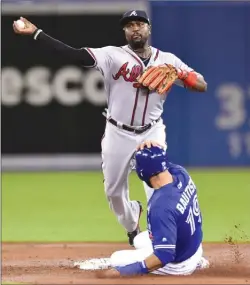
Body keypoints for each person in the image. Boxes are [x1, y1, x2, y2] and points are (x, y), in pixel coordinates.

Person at [13, 10, 207, 246]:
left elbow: (201, 84)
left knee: (157, 187)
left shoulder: (168, 60)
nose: (135, 28)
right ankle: (132, 222)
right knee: (114, 193)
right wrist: (37, 33)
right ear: (124, 32)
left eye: (140, 24)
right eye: (129, 25)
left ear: (149, 29)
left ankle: (161, 239)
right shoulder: (112, 55)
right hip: (118, 132)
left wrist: (180, 73)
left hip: (151, 132)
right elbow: (75, 56)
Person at [75, 140, 209, 276]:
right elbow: (161, 164)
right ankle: (196, 260)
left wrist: (124, 271)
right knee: (138, 240)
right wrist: (155, 149)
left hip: (177, 264)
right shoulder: (180, 174)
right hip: (194, 247)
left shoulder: (161, 206)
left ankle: (189, 265)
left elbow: (164, 256)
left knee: (117, 258)